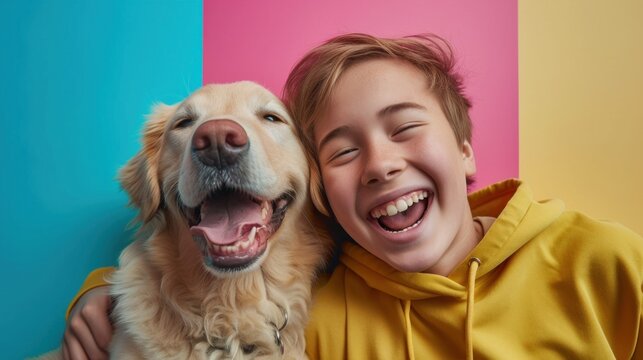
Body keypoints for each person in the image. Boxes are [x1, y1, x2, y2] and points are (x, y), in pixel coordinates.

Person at [62, 33, 643, 359]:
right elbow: (206, 320)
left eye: (406, 127)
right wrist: (104, 297)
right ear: (321, 189)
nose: (381, 164)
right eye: (341, 151)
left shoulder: (605, 263)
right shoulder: (316, 314)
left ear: (465, 148)